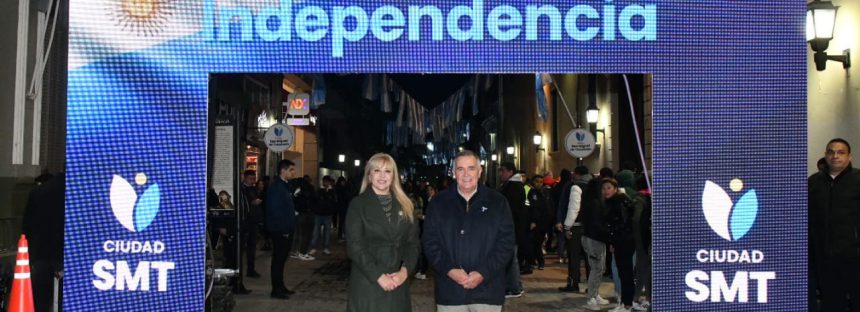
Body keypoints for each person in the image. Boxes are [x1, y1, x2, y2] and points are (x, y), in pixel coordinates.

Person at [423, 150, 516, 312]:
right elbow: (430, 243)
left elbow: (506, 244)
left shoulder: (498, 202)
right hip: (450, 292)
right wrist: (450, 270)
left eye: (471, 168)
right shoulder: (438, 203)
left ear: (480, 172)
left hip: (488, 291)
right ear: (453, 173)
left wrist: (482, 273)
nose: (466, 174)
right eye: (460, 169)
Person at [345, 153, 420, 312]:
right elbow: (354, 246)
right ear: (369, 175)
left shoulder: (406, 204)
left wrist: (404, 272)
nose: (382, 176)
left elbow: (413, 243)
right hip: (368, 281)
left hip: (398, 280)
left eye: (387, 171)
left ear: (394, 176)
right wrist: (379, 276)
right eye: (377, 170)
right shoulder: (358, 205)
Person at [809, 138, 860, 312]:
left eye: (840, 152)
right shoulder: (814, 182)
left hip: (854, 257)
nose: (835, 156)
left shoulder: (858, 180)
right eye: (831, 152)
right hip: (824, 258)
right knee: (831, 302)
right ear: (825, 155)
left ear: (849, 156)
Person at [22, 172, 65, 312]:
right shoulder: (76, 192)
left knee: (40, 300)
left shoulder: (37, 192)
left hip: (41, 253)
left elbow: (26, 225)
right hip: (63, 253)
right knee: (64, 299)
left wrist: (31, 254)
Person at [602, 178, 637, 312]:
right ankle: (626, 302)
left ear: (615, 189)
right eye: (604, 188)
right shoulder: (614, 201)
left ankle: (627, 304)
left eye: (609, 188)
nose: (606, 191)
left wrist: (614, 237)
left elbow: (622, 223)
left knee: (626, 273)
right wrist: (612, 241)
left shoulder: (619, 201)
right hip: (621, 241)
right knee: (624, 273)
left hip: (624, 241)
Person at [266, 159, 299, 299]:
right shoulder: (276, 187)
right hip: (280, 230)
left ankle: (281, 286)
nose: (293, 172)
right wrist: (284, 229)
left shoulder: (285, 185)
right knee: (278, 260)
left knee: (281, 260)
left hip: (286, 228)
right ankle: (276, 290)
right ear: (283, 170)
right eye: (291, 170)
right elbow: (275, 210)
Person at [558, 165, 591, 293]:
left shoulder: (575, 187)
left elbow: (573, 209)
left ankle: (573, 283)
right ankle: (592, 286)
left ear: (577, 174)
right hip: (589, 227)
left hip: (576, 226)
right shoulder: (594, 186)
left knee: (574, 256)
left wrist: (567, 226)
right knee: (589, 258)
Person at [581, 177, 611, 311]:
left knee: (599, 268)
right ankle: (591, 298)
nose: (604, 191)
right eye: (602, 188)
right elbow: (596, 224)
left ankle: (595, 294)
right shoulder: (594, 203)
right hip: (594, 239)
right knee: (596, 269)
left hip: (593, 238)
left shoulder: (590, 201)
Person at [498, 162, 526, 297]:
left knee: (510, 258)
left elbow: (511, 210)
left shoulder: (513, 187)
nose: (500, 174)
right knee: (511, 257)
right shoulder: (512, 186)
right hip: (513, 228)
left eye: (502, 171)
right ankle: (516, 286)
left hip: (512, 228)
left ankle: (514, 288)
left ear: (510, 172)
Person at [239, 170, 262, 278]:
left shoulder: (253, 188)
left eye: (254, 179)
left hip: (253, 221)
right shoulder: (241, 189)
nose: (253, 181)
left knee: (252, 247)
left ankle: (251, 269)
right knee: (243, 247)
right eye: (251, 179)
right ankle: (240, 270)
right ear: (245, 178)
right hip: (245, 222)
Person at [309, 175, 337, 255]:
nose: (326, 183)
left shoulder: (332, 191)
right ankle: (313, 247)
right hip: (318, 214)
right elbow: (313, 200)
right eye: (325, 181)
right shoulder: (318, 190)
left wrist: (332, 210)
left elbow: (335, 202)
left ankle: (326, 248)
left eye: (327, 182)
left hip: (328, 214)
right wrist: (314, 209)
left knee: (327, 233)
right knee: (316, 232)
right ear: (323, 182)